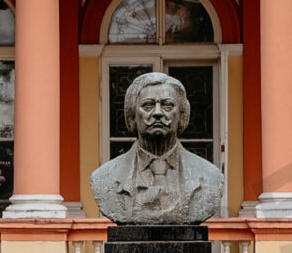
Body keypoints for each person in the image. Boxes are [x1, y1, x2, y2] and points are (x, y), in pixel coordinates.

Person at [90, 72, 224, 224]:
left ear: (182, 115)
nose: (158, 113)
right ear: (132, 115)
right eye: (148, 105)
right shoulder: (104, 177)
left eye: (167, 105)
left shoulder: (210, 176)